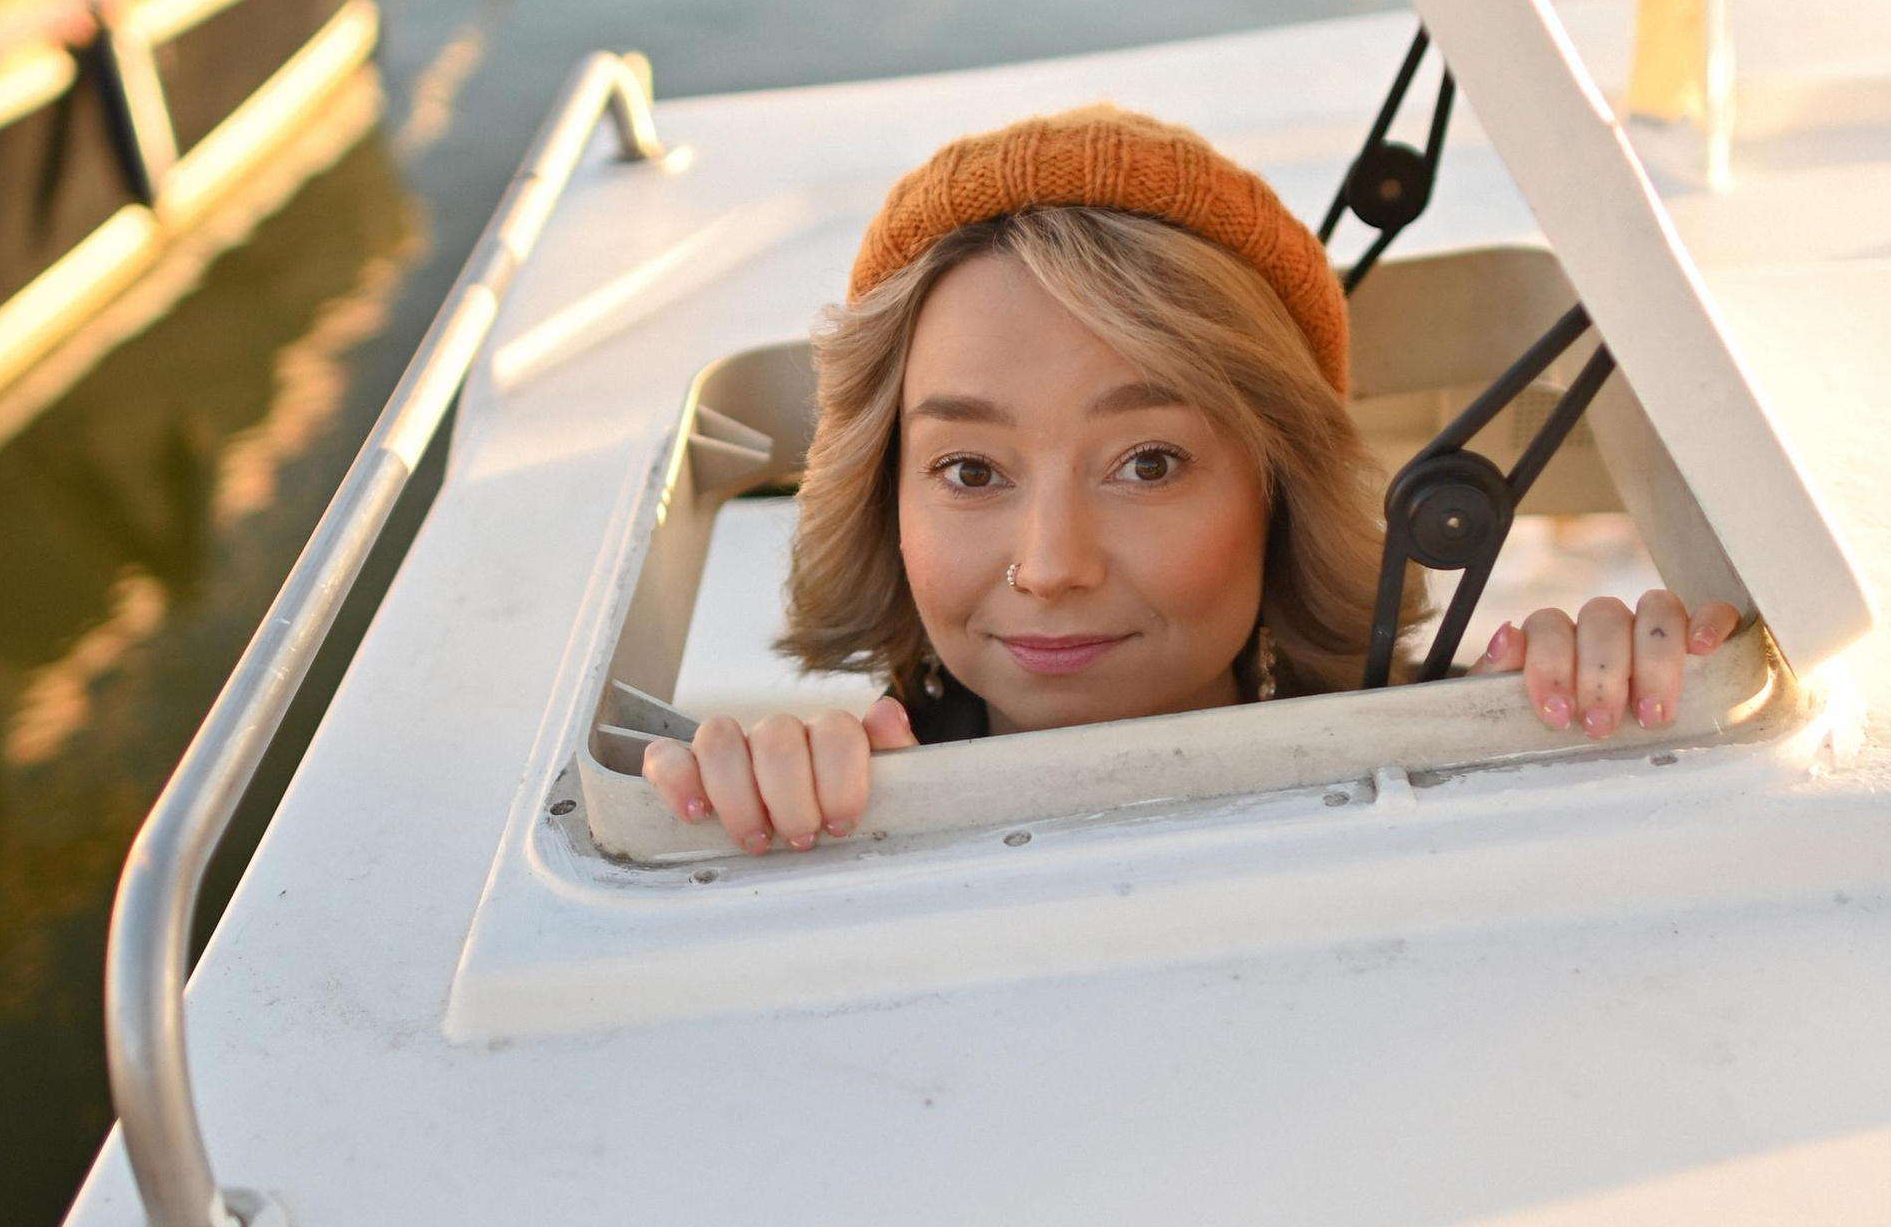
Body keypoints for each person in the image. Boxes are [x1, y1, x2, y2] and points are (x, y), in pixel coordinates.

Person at [644, 108, 1736, 854]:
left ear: (1280, 491)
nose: (1052, 567)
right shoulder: (823, 792)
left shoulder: (1458, 759)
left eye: (1148, 463)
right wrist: (758, 803)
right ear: (883, 502)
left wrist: (1593, 713)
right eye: (970, 469)